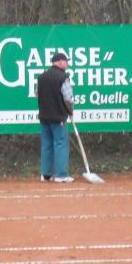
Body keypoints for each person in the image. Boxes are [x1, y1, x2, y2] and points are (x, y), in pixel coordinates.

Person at [37, 52, 75, 183]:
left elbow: (37, 94)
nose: (67, 64)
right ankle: (61, 175)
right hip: (58, 117)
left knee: (47, 144)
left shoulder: (41, 77)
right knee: (60, 144)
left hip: (44, 117)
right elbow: (68, 98)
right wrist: (70, 111)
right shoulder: (63, 77)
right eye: (66, 61)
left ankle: (46, 174)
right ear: (60, 62)